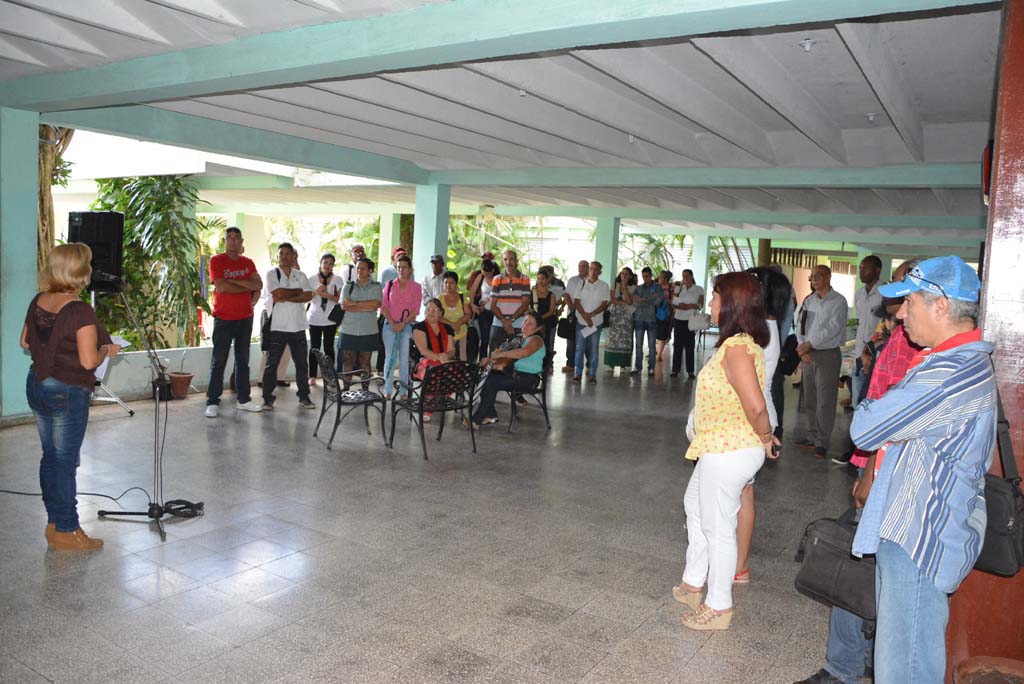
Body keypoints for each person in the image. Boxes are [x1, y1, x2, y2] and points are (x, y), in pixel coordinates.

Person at [850, 255, 995, 684]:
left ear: (941, 306)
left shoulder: (950, 373)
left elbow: (865, 428)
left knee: (904, 668)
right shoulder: (950, 361)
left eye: (909, 303)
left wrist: (885, 413)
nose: (900, 314)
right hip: (917, 526)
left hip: (919, 537)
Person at [794, 261, 922, 684]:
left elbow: (895, 418)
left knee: (864, 561)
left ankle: (846, 663)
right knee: (867, 560)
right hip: (876, 461)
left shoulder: (921, 348)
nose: (892, 299)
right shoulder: (900, 336)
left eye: (902, 290)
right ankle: (858, 656)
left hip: (888, 468)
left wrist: (869, 471)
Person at [673, 272, 776, 631]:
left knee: (718, 526)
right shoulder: (737, 344)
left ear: (731, 304)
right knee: (694, 506)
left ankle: (719, 605)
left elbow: (756, 405)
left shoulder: (737, 349)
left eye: (716, 297)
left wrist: (766, 436)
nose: (711, 304)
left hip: (731, 448)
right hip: (718, 445)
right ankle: (693, 582)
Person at [22, 243, 120, 551]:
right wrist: (107, 350)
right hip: (67, 392)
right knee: (65, 462)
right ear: (80, 272)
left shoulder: (39, 300)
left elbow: (25, 341)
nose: (91, 270)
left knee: (51, 457)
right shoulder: (80, 310)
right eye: (88, 265)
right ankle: (68, 529)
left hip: (37, 384)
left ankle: (54, 523)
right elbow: (89, 361)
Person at [734, 266, 790, 584]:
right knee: (743, 491)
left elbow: (752, 388)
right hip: (755, 416)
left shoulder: (761, 331)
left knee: (743, 492)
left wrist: (766, 434)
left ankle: (739, 564)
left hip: (751, 418)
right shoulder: (766, 325)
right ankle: (737, 561)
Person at [205, 226, 263, 417]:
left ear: (241, 242)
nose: (233, 241)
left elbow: (258, 285)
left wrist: (235, 283)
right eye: (229, 238)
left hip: (245, 318)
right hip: (223, 318)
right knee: (219, 361)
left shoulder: (248, 262)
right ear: (225, 241)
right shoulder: (216, 261)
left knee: (243, 361)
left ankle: (244, 400)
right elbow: (221, 287)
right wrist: (246, 285)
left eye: (236, 238)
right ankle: (213, 401)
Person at [794, 265, 849, 459]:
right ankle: (813, 436)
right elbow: (800, 325)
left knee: (825, 400)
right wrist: (802, 349)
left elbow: (833, 328)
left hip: (827, 355)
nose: (814, 280)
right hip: (808, 355)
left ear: (828, 277)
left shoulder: (839, 301)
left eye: (818, 276)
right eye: (811, 277)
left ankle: (822, 442)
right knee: (810, 399)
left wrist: (808, 344)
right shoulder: (809, 300)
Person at [261, 243, 315, 410]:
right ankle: (267, 398)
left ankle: (304, 397)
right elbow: (277, 294)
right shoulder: (272, 274)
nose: (284, 256)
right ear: (278, 256)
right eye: (281, 253)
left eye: (287, 253)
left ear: (293, 256)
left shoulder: (301, 275)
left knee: (301, 364)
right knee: (272, 364)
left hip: (298, 326)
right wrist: (297, 292)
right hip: (278, 327)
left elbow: (308, 295)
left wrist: (286, 296)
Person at [470, 311, 547, 428]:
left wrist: (501, 354)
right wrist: (489, 360)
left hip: (529, 379)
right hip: (514, 374)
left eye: (530, 324)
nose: (525, 325)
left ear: (538, 328)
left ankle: (477, 419)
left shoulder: (536, 340)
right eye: (525, 321)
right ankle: (490, 414)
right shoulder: (520, 338)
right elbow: (505, 358)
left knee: (490, 382)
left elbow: (523, 353)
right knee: (482, 377)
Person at [380, 253, 421, 398]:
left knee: (404, 359)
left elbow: (416, 310)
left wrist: (403, 324)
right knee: (390, 358)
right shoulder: (389, 285)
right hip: (389, 325)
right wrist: (393, 323)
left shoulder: (416, 287)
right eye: (399, 267)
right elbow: (384, 307)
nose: (401, 270)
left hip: (407, 326)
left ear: (410, 269)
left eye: (404, 267)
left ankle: (403, 391)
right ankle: (387, 390)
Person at [338, 257, 382, 384]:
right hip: (349, 329)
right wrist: (366, 306)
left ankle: (365, 390)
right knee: (348, 361)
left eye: (363, 268)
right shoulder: (348, 286)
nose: (359, 271)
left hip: (368, 330)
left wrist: (354, 304)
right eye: (357, 268)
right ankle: (346, 390)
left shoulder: (376, 286)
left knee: (365, 362)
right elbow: (344, 306)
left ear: (370, 270)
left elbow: (375, 305)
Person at [848, 256, 883, 411]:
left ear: (877, 270)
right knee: (857, 400)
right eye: (860, 268)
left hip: (875, 355)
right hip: (858, 354)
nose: (861, 271)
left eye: (865, 268)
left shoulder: (884, 293)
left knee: (873, 402)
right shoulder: (859, 294)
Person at [412, 298, 456, 421]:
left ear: (441, 313)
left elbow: (452, 350)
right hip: (423, 362)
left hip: (443, 360)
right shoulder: (419, 327)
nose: (431, 312)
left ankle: (438, 399)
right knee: (434, 370)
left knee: (458, 370)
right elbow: (423, 351)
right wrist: (439, 357)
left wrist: (446, 356)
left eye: (435, 309)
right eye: (429, 309)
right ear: (425, 311)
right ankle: (429, 406)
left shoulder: (447, 328)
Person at [307, 253, 343, 386]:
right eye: (325, 262)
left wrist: (327, 295)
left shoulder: (338, 279)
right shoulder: (311, 279)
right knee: (314, 348)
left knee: (329, 348)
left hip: (330, 319)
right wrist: (316, 292)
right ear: (320, 263)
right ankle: (312, 375)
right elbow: (306, 298)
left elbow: (341, 300)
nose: (327, 265)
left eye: (330, 263)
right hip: (314, 318)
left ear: (333, 265)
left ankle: (330, 376)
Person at [573, 261, 610, 384]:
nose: (593, 271)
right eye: (591, 269)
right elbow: (576, 302)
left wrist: (592, 315)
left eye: (596, 269)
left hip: (596, 323)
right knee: (579, 348)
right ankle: (578, 373)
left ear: (600, 272)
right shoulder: (581, 283)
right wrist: (585, 316)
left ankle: (592, 374)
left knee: (594, 349)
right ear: (588, 270)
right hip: (581, 322)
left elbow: (604, 304)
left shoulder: (604, 286)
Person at [490, 249, 532, 352]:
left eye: (511, 259)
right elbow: (493, 305)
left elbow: (525, 305)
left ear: (516, 261)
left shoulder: (525, 279)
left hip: (518, 324)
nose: (508, 262)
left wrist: (511, 321)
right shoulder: (497, 279)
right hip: (499, 323)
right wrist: (505, 322)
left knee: (516, 355)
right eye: (505, 259)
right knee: (494, 354)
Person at [376, 246, 407, 373]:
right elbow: (379, 292)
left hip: (403, 315)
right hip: (387, 313)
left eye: (403, 256)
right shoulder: (386, 272)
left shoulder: (409, 273)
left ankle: (402, 372)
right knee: (383, 344)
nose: (401, 258)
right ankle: (381, 370)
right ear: (393, 258)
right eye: (398, 256)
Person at [671, 269, 705, 378]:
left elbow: (700, 305)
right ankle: (675, 370)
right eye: (683, 276)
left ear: (691, 276)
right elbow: (673, 303)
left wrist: (690, 306)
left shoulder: (698, 289)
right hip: (679, 319)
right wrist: (681, 306)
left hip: (691, 320)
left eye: (687, 276)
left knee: (690, 345)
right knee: (677, 345)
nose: (685, 278)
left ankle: (690, 371)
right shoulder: (680, 288)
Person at [631, 266, 665, 377]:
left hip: (651, 319)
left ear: (651, 276)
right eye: (643, 277)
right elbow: (635, 302)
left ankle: (651, 368)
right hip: (639, 319)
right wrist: (650, 298)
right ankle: (638, 367)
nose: (645, 279)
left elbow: (658, 301)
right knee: (638, 345)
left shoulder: (658, 288)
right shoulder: (638, 288)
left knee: (652, 346)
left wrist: (643, 299)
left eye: (647, 276)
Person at [604, 267, 636, 373]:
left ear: (630, 276)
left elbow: (630, 301)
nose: (624, 276)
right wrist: (624, 302)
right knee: (612, 339)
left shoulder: (632, 287)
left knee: (625, 340)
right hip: (614, 315)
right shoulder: (615, 284)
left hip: (626, 316)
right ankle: (611, 364)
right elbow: (612, 299)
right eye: (622, 274)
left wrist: (625, 287)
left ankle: (623, 365)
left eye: (626, 274)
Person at [467, 258, 498, 362]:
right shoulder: (480, 277)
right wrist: (472, 305)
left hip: (496, 312)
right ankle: (482, 362)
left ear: (492, 271)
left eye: (488, 273)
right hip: (483, 312)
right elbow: (472, 292)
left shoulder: (498, 278)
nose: (486, 275)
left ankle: (492, 362)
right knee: (484, 339)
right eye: (484, 273)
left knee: (493, 339)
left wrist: (489, 299)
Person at [562, 260, 589, 373]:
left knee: (587, 340)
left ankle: (589, 365)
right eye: (580, 266)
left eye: (584, 266)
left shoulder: (591, 281)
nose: (581, 268)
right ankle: (570, 364)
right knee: (571, 340)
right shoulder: (572, 280)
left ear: (588, 268)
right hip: (573, 314)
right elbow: (566, 294)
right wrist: (571, 306)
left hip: (586, 315)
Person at [440, 271, 471, 361]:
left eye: (451, 283)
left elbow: (468, 314)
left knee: (462, 360)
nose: (448, 285)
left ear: (456, 284)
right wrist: (452, 325)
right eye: (446, 282)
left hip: (462, 333)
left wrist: (458, 323)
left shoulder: (462, 298)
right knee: (446, 360)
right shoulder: (439, 299)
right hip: (445, 335)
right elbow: (438, 317)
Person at [532, 268, 558, 372]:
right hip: (534, 323)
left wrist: (541, 318)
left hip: (547, 322)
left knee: (547, 344)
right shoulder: (532, 293)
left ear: (547, 280)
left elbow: (551, 311)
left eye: (542, 279)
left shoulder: (551, 295)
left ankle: (547, 365)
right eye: (538, 279)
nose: (540, 281)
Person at [655, 270, 674, 364]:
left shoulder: (671, 288)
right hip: (654, 313)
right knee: (655, 334)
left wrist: (666, 300)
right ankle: (655, 352)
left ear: (666, 279)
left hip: (666, 314)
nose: (658, 279)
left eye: (660, 277)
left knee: (663, 335)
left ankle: (659, 354)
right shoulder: (655, 287)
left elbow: (674, 300)